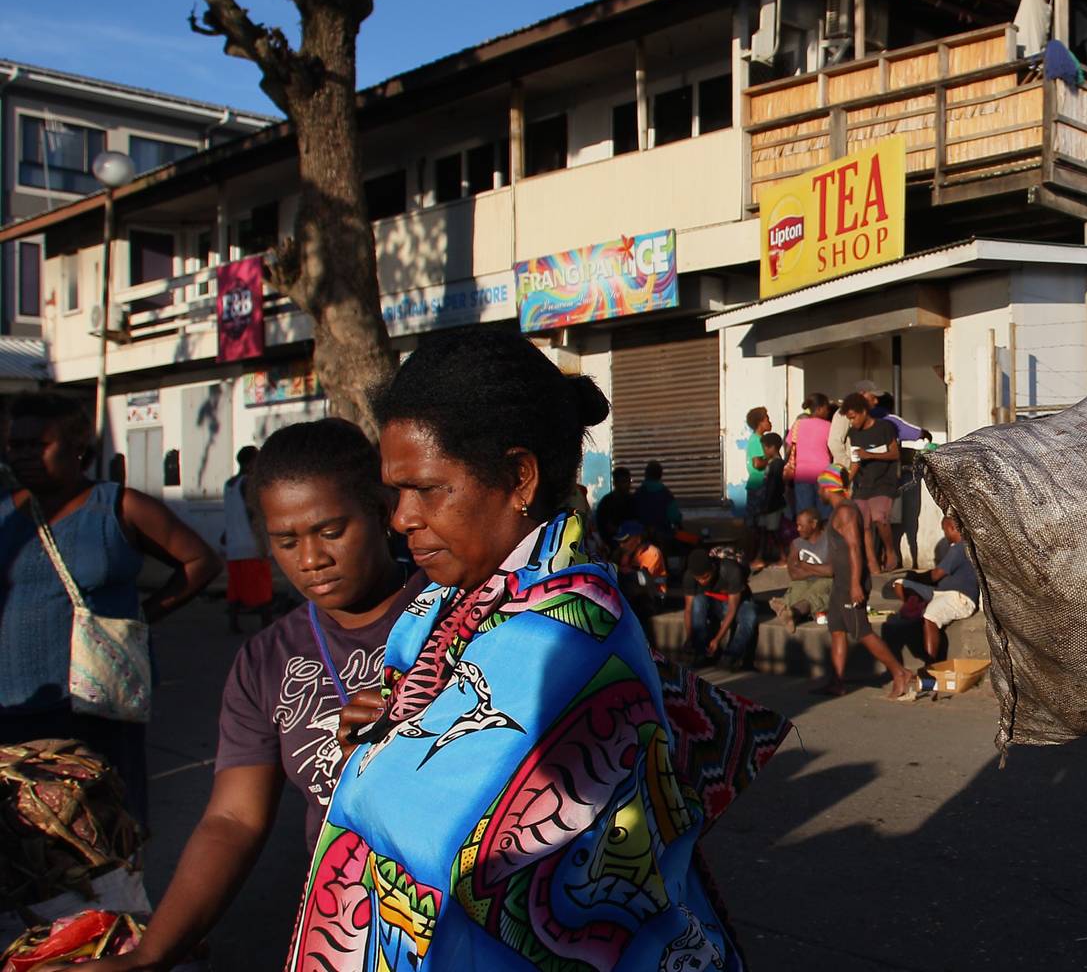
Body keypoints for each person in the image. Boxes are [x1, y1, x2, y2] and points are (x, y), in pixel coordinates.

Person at [295, 325, 771, 970]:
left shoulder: (564, 631)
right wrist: (385, 720)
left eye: (427, 488)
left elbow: (435, 825)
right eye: (395, 491)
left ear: (519, 477)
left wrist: (379, 752)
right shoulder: (454, 598)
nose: (401, 517)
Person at [83, 419, 421, 972]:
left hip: (465, 915)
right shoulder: (265, 660)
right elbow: (233, 821)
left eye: (331, 531)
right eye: (286, 541)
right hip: (346, 928)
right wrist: (151, 955)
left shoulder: (457, 616)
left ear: (382, 510)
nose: (311, 559)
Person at [0, 393, 220, 821]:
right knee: (25, 833)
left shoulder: (120, 506)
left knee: (107, 821)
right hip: (14, 703)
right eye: (15, 445)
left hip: (99, 700)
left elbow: (201, 561)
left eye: (37, 445)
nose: (22, 456)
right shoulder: (4, 515)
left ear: (78, 447)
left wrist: (142, 617)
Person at [814, 473, 914, 699]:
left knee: (862, 632)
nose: (817, 492)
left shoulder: (846, 512)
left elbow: (855, 548)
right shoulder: (838, 512)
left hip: (851, 582)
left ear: (828, 488)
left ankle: (900, 672)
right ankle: (837, 682)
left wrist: (856, 584)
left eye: (819, 488)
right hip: (841, 582)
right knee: (837, 630)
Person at [890, 515, 978, 663]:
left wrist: (916, 577)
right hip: (939, 593)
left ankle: (930, 666)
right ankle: (915, 608)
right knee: (899, 584)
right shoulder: (956, 548)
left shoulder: (960, 548)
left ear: (952, 528)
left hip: (958, 598)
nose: (945, 535)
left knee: (930, 616)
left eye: (945, 531)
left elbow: (936, 575)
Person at [843, 392, 901, 574]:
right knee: (864, 523)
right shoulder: (853, 433)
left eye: (853, 418)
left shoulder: (884, 427)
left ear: (863, 412)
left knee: (879, 518)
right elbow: (855, 462)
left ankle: (890, 552)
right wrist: (845, 482)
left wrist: (871, 455)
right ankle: (872, 563)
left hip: (885, 482)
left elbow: (895, 454)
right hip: (864, 484)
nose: (851, 422)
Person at [222, 445, 274, 634]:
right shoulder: (249, 483)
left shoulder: (229, 484)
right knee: (262, 588)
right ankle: (267, 625)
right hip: (250, 544)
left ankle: (233, 623)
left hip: (234, 546)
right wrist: (263, 544)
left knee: (235, 588)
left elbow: (230, 514)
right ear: (250, 462)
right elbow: (254, 514)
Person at [683, 546, 762, 671]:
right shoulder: (689, 577)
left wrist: (717, 639)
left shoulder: (731, 570)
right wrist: (689, 637)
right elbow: (688, 609)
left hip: (738, 603)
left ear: (713, 568)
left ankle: (730, 657)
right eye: (698, 579)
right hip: (714, 603)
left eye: (706, 577)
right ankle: (701, 653)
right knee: (697, 602)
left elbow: (732, 610)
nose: (702, 581)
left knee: (750, 617)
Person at [770, 508, 833, 631]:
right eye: (797, 525)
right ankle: (790, 613)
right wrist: (819, 570)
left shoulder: (829, 541)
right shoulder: (796, 544)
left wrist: (805, 565)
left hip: (826, 582)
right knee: (797, 588)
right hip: (803, 580)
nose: (798, 529)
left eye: (801, 525)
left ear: (814, 524)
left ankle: (791, 612)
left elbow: (830, 571)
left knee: (817, 591)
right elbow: (793, 573)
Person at [786, 394, 835, 520]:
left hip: (802, 473)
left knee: (805, 513)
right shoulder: (829, 426)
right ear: (820, 408)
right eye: (826, 408)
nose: (828, 411)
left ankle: (806, 538)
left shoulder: (797, 425)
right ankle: (823, 538)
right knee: (825, 513)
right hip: (823, 474)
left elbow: (789, 449)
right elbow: (833, 450)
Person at [747, 431, 788, 569]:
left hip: (772, 504)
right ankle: (760, 558)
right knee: (764, 530)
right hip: (769, 503)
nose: (764, 451)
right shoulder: (773, 463)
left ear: (772, 448)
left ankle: (783, 557)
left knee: (772, 531)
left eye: (765, 447)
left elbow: (773, 486)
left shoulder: (777, 464)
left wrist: (767, 504)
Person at [612, 520, 669, 617]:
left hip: (653, 597)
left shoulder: (652, 553)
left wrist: (620, 571)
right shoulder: (623, 553)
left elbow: (644, 580)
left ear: (638, 539)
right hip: (633, 595)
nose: (621, 545)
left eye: (625, 541)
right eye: (620, 541)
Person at [827, 379, 878, 471]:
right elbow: (834, 442)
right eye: (873, 396)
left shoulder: (868, 415)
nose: (876, 401)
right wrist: (849, 465)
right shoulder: (844, 412)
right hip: (848, 473)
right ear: (863, 393)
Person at [635, 459, 685, 543]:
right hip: (663, 538)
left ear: (646, 474)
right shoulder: (667, 495)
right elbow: (675, 518)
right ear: (661, 475)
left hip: (641, 538)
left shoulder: (638, 494)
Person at [594, 465, 637, 547]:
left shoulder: (633, 501)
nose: (628, 485)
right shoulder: (606, 503)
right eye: (623, 481)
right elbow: (602, 527)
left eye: (628, 481)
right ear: (615, 483)